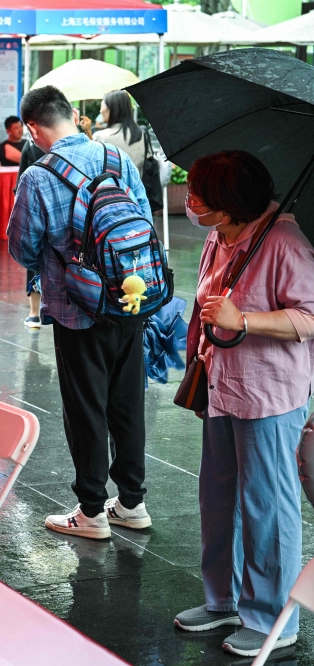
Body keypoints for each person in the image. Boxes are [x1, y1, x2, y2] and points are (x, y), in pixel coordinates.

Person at [172, 151, 314, 657]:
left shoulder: (284, 243)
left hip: (269, 394)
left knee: (268, 506)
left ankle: (274, 617)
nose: (190, 203)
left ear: (229, 205)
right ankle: (223, 600)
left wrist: (246, 321)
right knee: (219, 498)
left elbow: (309, 317)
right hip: (222, 386)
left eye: (198, 197)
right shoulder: (221, 236)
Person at [7, 85, 151, 540]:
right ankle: (132, 502)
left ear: (32, 128)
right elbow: (144, 221)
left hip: (77, 309)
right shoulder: (117, 160)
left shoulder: (38, 176)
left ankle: (91, 512)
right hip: (131, 302)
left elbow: (23, 248)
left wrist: (60, 261)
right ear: (71, 113)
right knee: (127, 404)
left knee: (86, 408)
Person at [16, 139, 46, 329]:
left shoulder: (31, 144)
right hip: (70, 210)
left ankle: (34, 313)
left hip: (37, 211)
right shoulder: (73, 143)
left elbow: (20, 183)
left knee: (35, 260)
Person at [93, 90, 146, 175]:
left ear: (111, 109)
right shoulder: (141, 134)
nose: (100, 111)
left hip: (109, 187)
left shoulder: (100, 137)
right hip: (137, 187)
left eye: (102, 106)